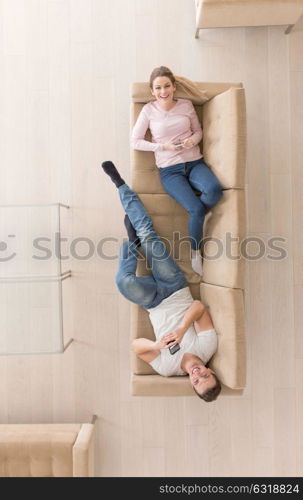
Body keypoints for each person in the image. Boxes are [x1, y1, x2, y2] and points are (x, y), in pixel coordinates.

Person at [101, 160, 221, 402]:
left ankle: (132, 245)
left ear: (191, 383)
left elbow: (136, 346)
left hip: (153, 302)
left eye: (196, 382)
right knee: (147, 232)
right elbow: (198, 307)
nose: (198, 375)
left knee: (123, 282)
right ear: (211, 371)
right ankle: (120, 185)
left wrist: (156, 346)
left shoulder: (168, 368)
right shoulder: (207, 348)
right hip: (175, 288)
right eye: (205, 376)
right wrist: (182, 329)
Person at [131, 65, 223, 277]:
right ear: (152, 91)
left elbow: (198, 131)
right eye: (158, 88)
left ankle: (197, 217)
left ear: (173, 87)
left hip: (194, 163)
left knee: (215, 191)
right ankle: (195, 252)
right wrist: (163, 147)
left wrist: (192, 140)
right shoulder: (149, 111)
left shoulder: (186, 105)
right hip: (170, 171)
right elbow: (135, 141)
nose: (163, 92)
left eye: (167, 86)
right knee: (197, 210)